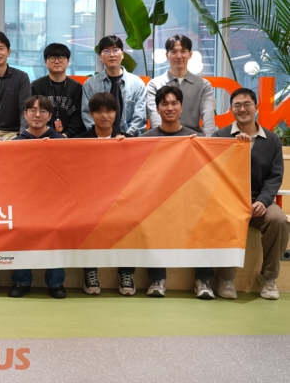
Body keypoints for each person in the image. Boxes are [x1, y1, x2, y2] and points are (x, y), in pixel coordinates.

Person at [214, 88, 289, 300]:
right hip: (230, 201)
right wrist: (237, 149)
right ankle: (225, 279)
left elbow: (275, 177)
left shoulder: (272, 140)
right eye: (237, 105)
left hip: (260, 201)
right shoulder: (220, 136)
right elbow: (214, 173)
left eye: (247, 104)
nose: (242, 109)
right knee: (228, 218)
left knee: (279, 221)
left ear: (256, 107)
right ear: (231, 109)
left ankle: (268, 277)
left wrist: (263, 201)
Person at [142, 86, 214, 299]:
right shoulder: (145, 139)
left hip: (189, 201)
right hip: (157, 201)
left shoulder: (196, 139)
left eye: (174, 103)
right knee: (151, 218)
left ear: (182, 107)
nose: (170, 108)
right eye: (164, 103)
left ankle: (203, 280)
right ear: (157, 108)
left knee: (205, 218)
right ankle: (157, 279)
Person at [75, 92, 135, 296]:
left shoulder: (128, 141)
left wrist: (125, 148)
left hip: (120, 200)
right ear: (91, 114)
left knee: (129, 225)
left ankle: (126, 273)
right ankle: (90, 272)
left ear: (116, 113)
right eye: (99, 111)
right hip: (89, 200)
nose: (104, 116)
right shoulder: (79, 142)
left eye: (109, 111)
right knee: (86, 226)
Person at [9, 95, 66, 298]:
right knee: (22, 238)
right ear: (25, 114)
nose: (37, 114)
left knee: (55, 237)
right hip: (23, 200)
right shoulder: (15, 143)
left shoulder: (61, 142)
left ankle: (56, 283)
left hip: (54, 201)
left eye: (42, 111)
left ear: (49, 116)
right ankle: (21, 281)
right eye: (32, 110)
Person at [146, 34, 216, 137]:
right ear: (167, 55)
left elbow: (208, 116)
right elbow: (155, 118)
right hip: (163, 139)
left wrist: (208, 141)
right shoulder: (154, 85)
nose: (179, 56)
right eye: (174, 52)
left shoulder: (203, 85)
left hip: (193, 139)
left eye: (183, 51)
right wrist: (163, 140)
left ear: (190, 54)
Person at [81, 35, 146, 137]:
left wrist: (127, 137)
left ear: (122, 54)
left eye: (115, 50)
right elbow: (87, 115)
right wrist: (100, 135)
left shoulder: (137, 84)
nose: (112, 55)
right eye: (106, 51)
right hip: (99, 140)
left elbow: (139, 117)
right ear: (100, 57)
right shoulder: (90, 84)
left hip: (129, 140)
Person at [31, 43, 86, 137]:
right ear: (45, 62)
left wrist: (66, 135)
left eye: (61, 57)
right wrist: (53, 135)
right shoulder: (36, 87)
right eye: (52, 58)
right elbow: (34, 115)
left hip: (71, 138)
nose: (57, 61)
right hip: (43, 137)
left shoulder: (77, 88)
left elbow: (79, 117)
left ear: (68, 61)